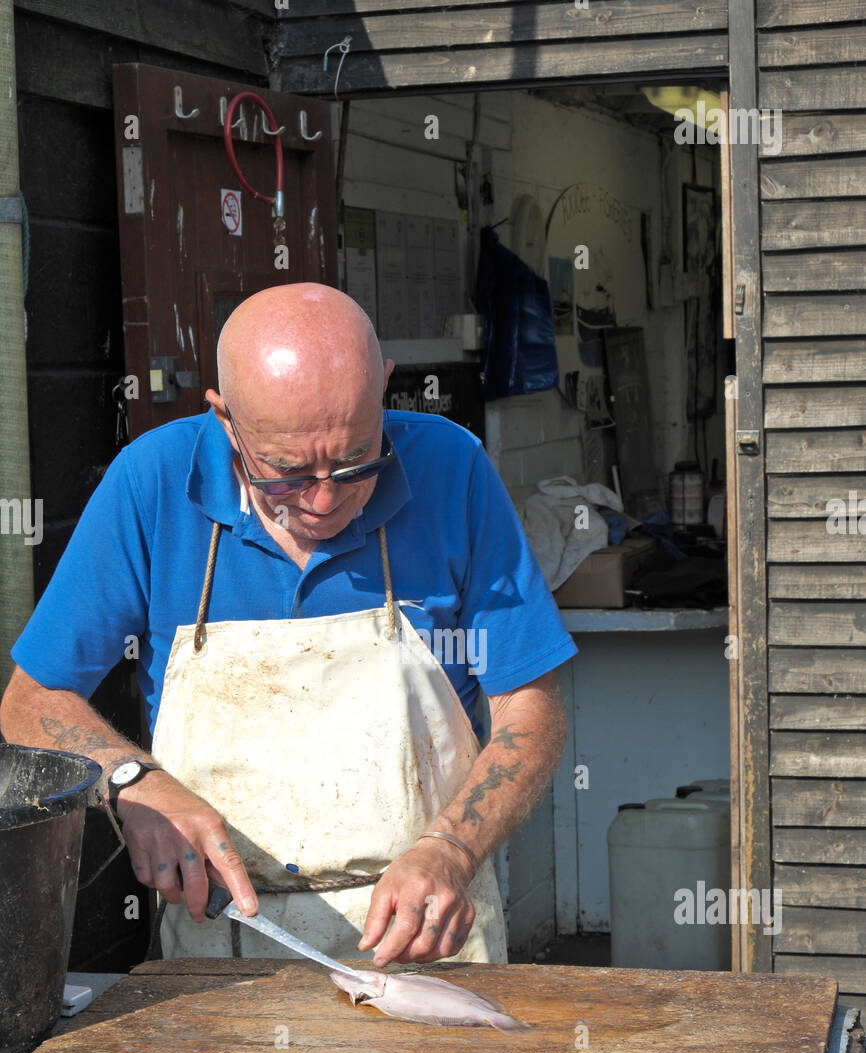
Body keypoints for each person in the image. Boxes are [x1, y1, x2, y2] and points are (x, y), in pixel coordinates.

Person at [0, 284, 575, 966]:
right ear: (224, 419)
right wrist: (132, 780)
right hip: (223, 945)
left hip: (428, 937)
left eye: (356, 460)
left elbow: (530, 713)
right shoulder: (151, 484)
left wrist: (451, 850)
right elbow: (31, 703)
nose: (325, 499)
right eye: (286, 472)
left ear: (385, 389)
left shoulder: (455, 472)